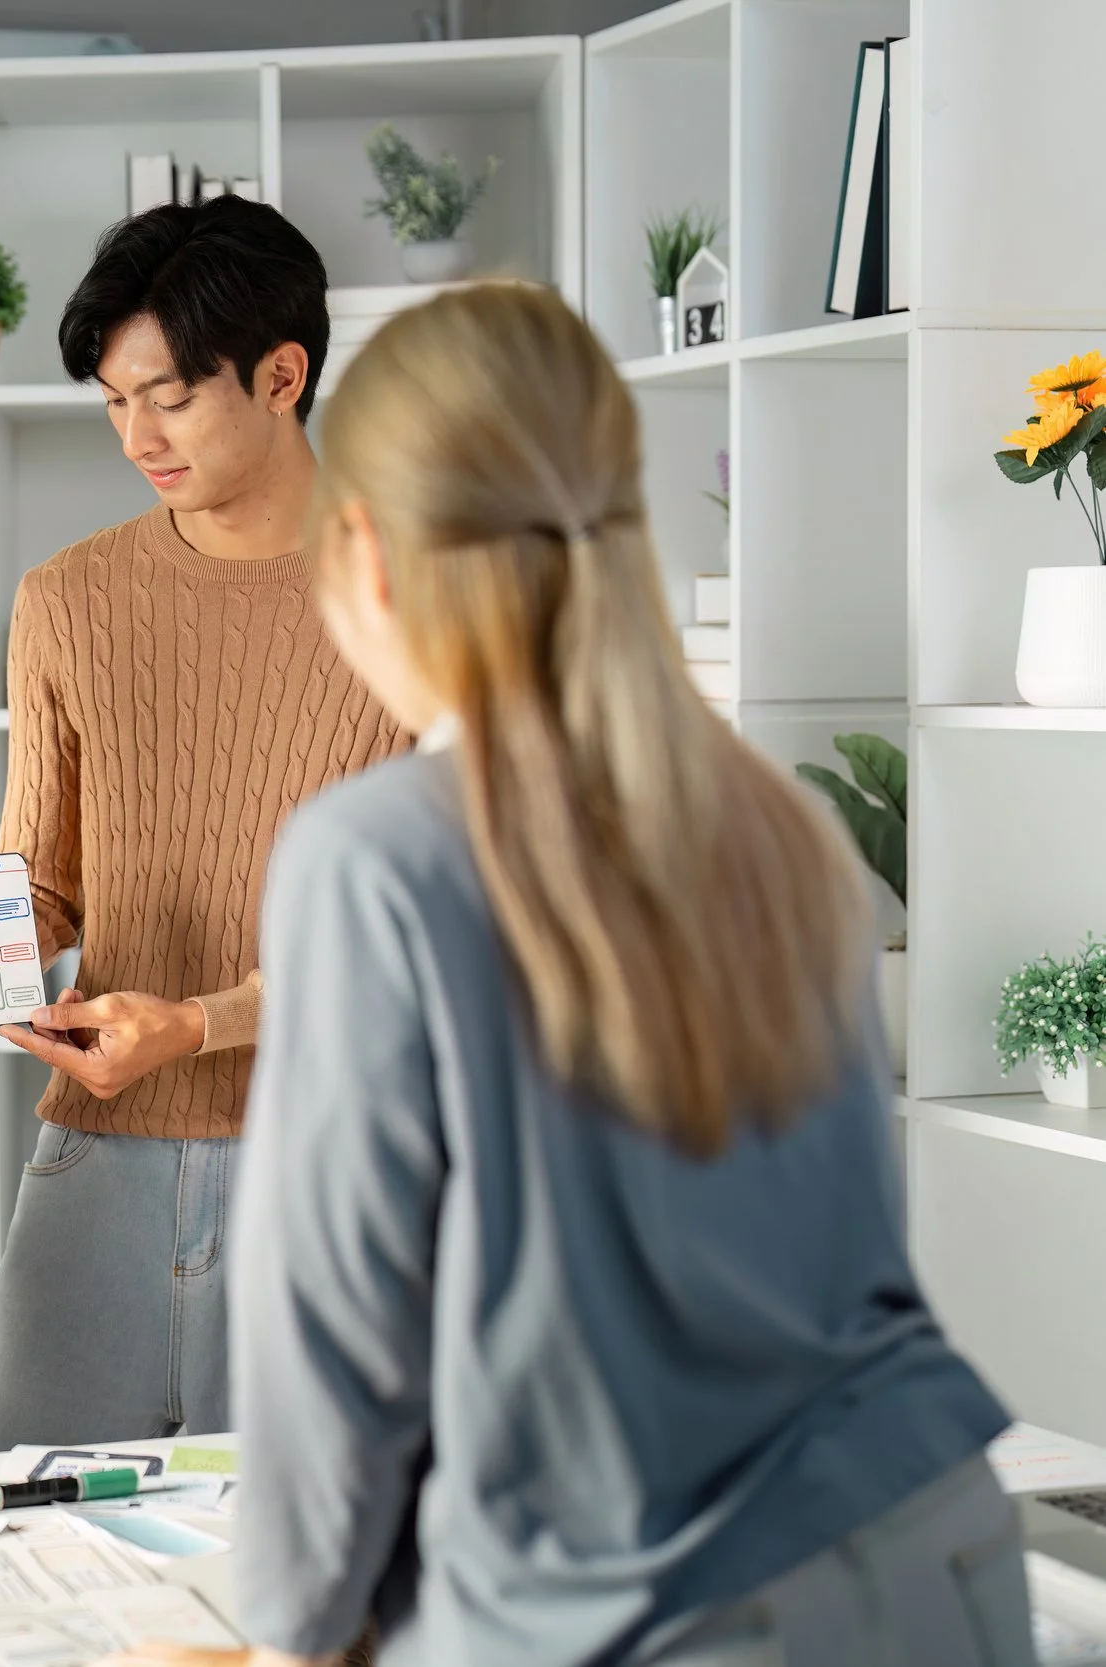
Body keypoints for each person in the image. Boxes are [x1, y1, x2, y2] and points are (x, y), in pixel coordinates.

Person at [132, 285, 1028, 1666]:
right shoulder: (777, 824)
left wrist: (293, 1639)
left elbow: (337, 1335)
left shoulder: (378, 855)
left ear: (363, 552)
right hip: (936, 1550)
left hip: (636, 1611)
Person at [0, 196, 405, 1449]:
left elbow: (430, 940)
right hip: (97, 1161)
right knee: (12, 1548)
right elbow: (42, 896)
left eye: (169, 396)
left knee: (311, 1600)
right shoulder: (68, 601)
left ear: (282, 375)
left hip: (334, 1165)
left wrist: (199, 1025)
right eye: (113, 400)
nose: (136, 434)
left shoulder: (423, 594)